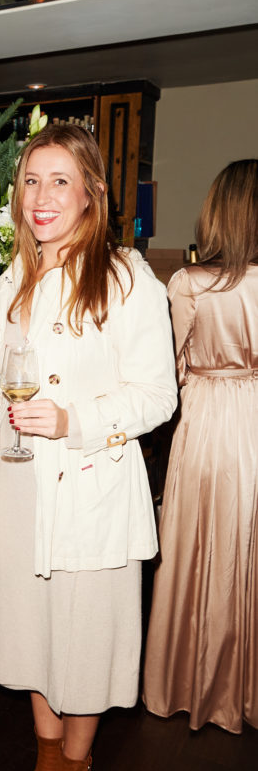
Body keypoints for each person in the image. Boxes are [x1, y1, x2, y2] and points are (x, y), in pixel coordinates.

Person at [0, 124, 177, 771]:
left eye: (60, 180)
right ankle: (41, 755)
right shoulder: (11, 279)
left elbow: (157, 397)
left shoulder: (126, 277)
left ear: (93, 191)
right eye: (31, 180)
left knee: (85, 639)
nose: (41, 196)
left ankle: (74, 766)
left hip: (89, 485)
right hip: (23, 487)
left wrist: (73, 419)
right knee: (30, 630)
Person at [143, 160, 258, 734]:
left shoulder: (191, 282)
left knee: (199, 548)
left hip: (212, 418)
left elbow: (173, 365)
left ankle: (192, 681)